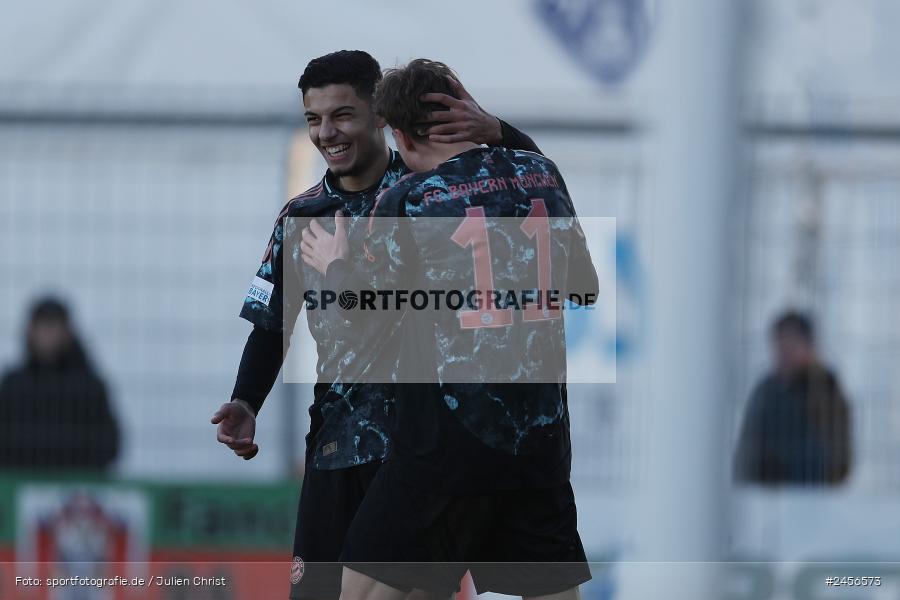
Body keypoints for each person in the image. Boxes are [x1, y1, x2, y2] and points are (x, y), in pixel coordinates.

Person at [209, 50, 543, 600]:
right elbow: (271, 323)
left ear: (379, 115)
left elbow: (520, 187)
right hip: (337, 445)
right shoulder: (302, 215)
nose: (326, 132)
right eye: (313, 119)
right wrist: (246, 402)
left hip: (418, 452)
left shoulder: (432, 192)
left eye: (342, 115)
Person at [301, 59, 597, 600]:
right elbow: (585, 286)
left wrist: (333, 263)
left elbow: (367, 315)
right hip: (539, 445)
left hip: (444, 449)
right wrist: (501, 131)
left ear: (398, 131)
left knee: (359, 590)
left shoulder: (408, 200)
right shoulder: (544, 176)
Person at [0, 297, 119, 471]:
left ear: (67, 332)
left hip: (76, 487)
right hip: (20, 485)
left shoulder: (89, 386)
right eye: (42, 326)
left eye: (53, 325)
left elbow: (109, 444)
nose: (47, 333)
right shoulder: (13, 384)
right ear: (30, 331)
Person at [734, 311, 852, 486]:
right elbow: (747, 454)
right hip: (765, 496)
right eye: (779, 344)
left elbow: (838, 461)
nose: (783, 352)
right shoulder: (765, 391)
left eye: (791, 344)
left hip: (814, 496)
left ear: (809, 346)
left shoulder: (827, 390)